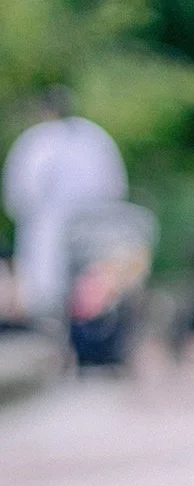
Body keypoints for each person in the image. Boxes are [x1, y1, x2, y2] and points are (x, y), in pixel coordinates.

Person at [2, 88, 126, 321]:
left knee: (49, 277)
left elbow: (22, 190)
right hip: (93, 221)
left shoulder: (39, 139)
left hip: (49, 223)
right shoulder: (93, 136)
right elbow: (114, 184)